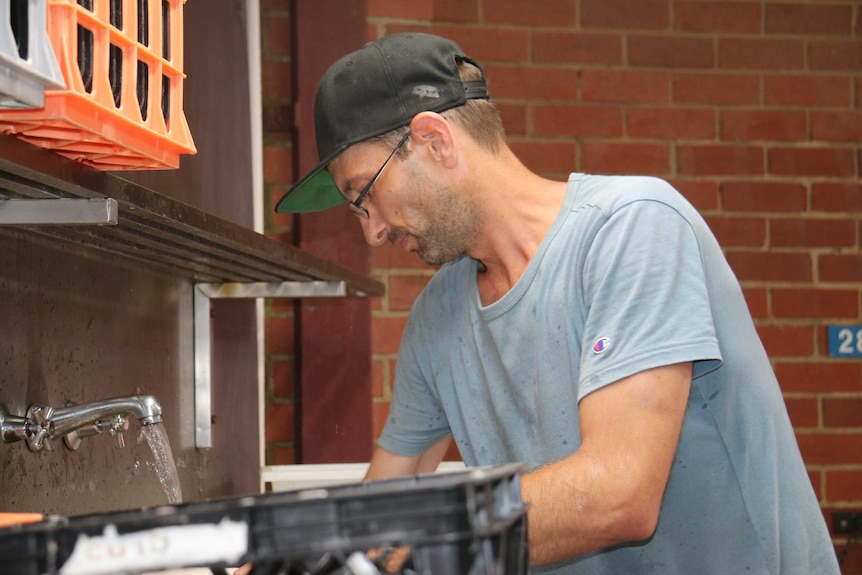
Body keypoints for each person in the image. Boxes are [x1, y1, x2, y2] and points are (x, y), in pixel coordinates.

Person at [274, 32, 840, 574]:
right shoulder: (436, 317)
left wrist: (408, 531)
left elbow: (620, 493)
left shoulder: (631, 228)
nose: (372, 232)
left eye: (364, 194)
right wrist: (302, 552)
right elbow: (388, 496)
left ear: (435, 141)